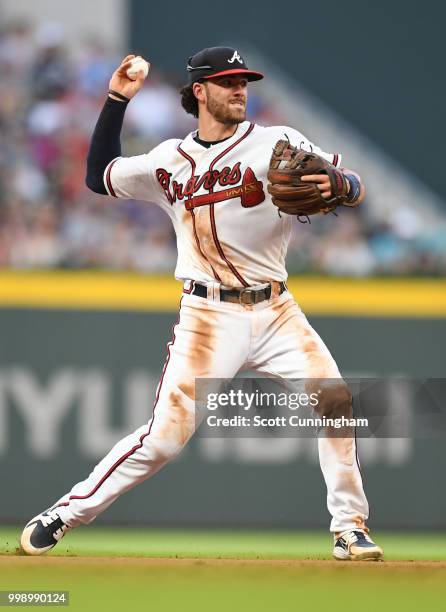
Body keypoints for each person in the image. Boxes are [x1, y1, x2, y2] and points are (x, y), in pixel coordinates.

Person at [20, 47, 383, 561]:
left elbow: (353, 185)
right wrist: (117, 99)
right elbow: (97, 174)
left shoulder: (277, 141)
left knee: (337, 404)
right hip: (209, 316)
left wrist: (343, 185)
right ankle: (64, 513)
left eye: (244, 81)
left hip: (277, 310)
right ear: (199, 91)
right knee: (163, 441)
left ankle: (349, 528)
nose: (240, 89)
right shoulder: (169, 159)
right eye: (228, 81)